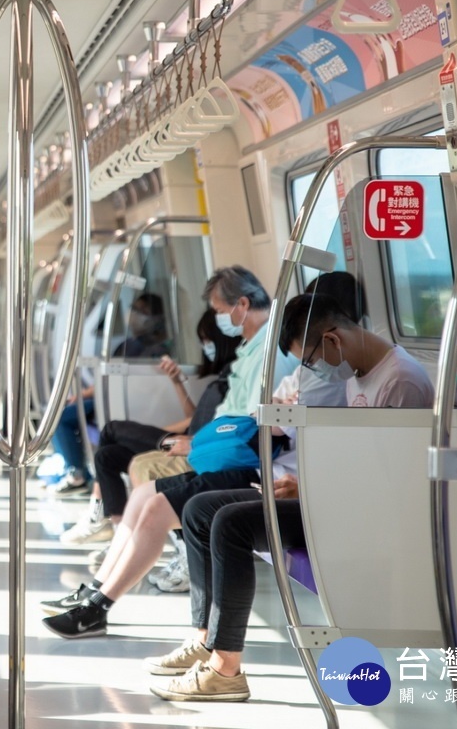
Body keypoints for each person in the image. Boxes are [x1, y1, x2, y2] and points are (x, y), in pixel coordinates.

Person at [147, 291, 435, 702]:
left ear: (333, 340)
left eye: (312, 360)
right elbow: (358, 459)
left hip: (362, 515)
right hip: (336, 499)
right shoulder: (358, 372)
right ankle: (207, 637)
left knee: (230, 524)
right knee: (199, 509)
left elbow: (393, 482)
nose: (314, 371)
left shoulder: (400, 381)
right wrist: (309, 484)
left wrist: (312, 487)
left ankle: (224, 670)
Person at [41, 266, 296, 637]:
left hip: (242, 462)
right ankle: (97, 588)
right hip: (219, 450)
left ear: (242, 304)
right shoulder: (250, 349)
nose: (220, 320)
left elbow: (253, 427)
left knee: (155, 506)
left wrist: (197, 442)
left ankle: (100, 606)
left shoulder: (272, 355)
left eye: (221, 311)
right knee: (143, 493)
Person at [59, 310, 241, 590]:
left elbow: (211, 429)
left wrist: (160, 437)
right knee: (107, 456)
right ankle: (121, 535)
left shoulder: (234, 381)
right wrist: (176, 384)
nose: (206, 345)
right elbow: (195, 418)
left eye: (207, 339)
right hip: (184, 436)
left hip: (194, 444)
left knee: (111, 430)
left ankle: (100, 514)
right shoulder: (218, 380)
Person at [49, 293, 170, 497]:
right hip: (106, 397)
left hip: (127, 399)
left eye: (143, 312)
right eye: (135, 309)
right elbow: (107, 379)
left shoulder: (157, 349)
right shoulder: (127, 345)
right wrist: (82, 395)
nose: (135, 315)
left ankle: (78, 474)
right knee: (62, 415)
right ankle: (75, 468)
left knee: (62, 419)